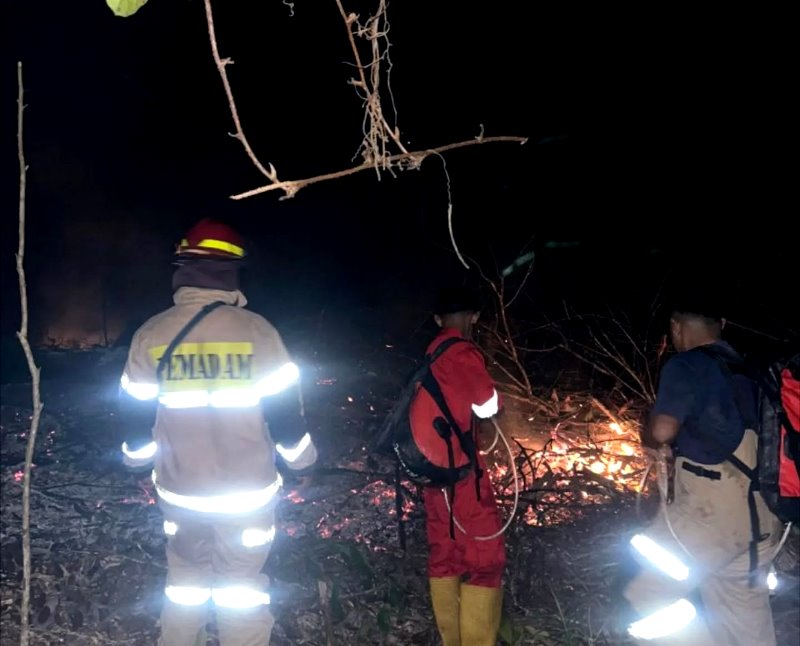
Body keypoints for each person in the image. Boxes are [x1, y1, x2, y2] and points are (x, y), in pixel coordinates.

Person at [118, 218, 317, 646]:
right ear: (232, 272)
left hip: (180, 492)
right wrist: (305, 465)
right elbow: (287, 421)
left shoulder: (150, 334)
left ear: (181, 271)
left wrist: (137, 468)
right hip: (246, 496)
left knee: (184, 585)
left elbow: (134, 426)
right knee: (240, 591)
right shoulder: (258, 332)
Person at [623, 301, 781, 645]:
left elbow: (663, 431)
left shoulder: (686, 365)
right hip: (764, 517)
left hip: (708, 517)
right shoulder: (754, 370)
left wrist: (649, 435)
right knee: (742, 618)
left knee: (650, 597)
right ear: (722, 322)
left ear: (675, 327)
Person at [416, 287, 506, 646]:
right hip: (463, 475)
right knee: (485, 559)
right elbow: (487, 407)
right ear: (475, 317)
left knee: (444, 555)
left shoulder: (429, 353)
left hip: (432, 473)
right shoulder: (464, 353)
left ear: (438, 320)